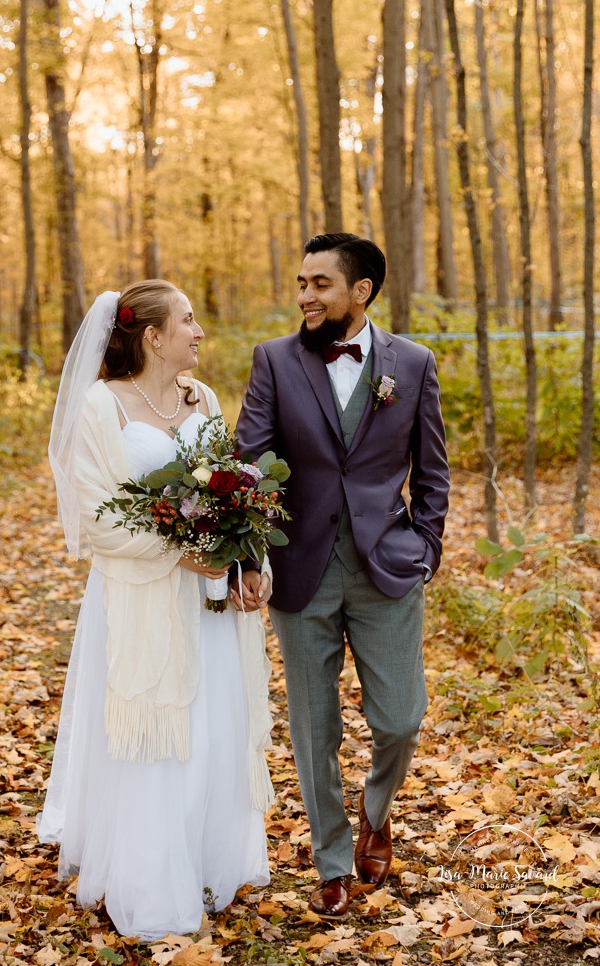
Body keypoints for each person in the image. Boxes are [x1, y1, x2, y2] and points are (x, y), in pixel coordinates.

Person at [37, 281, 273, 940]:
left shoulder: (204, 399)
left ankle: (206, 859)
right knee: (154, 738)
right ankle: (149, 881)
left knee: (209, 729)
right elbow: (98, 521)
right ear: (151, 335)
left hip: (210, 602)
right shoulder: (99, 406)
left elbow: (237, 492)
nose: (199, 331)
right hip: (140, 597)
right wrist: (178, 554)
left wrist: (249, 562)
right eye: (188, 320)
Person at [232, 233, 450, 918]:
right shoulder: (273, 360)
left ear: (360, 291)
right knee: (313, 726)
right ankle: (330, 861)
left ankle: (375, 814)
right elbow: (248, 461)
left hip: (387, 566)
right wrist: (248, 553)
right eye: (300, 282)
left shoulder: (411, 364)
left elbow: (433, 469)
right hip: (300, 571)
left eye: (319, 283)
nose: (304, 296)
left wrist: (425, 547)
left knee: (400, 719)